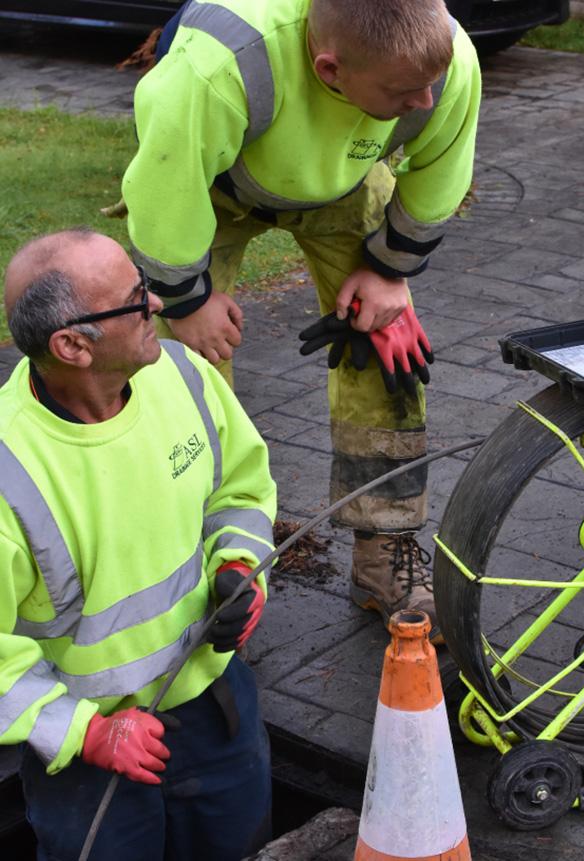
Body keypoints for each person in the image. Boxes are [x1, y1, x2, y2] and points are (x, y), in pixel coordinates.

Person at [119, 0, 482, 644]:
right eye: (403, 92)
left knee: (386, 349)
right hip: (211, 187)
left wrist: (390, 271)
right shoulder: (216, 69)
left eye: (429, 84)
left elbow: (440, 171)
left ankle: (384, 550)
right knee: (174, 369)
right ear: (330, 69)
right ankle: (201, 556)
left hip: (342, 185)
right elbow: (163, 187)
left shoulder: (445, 64)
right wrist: (185, 302)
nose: (425, 101)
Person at [0, 229, 276, 861]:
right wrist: (84, 734)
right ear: (72, 345)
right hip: (86, 752)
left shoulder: (183, 375)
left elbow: (239, 489)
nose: (156, 306)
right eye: (134, 300)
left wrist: (238, 565)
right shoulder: (9, 471)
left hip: (214, 704)